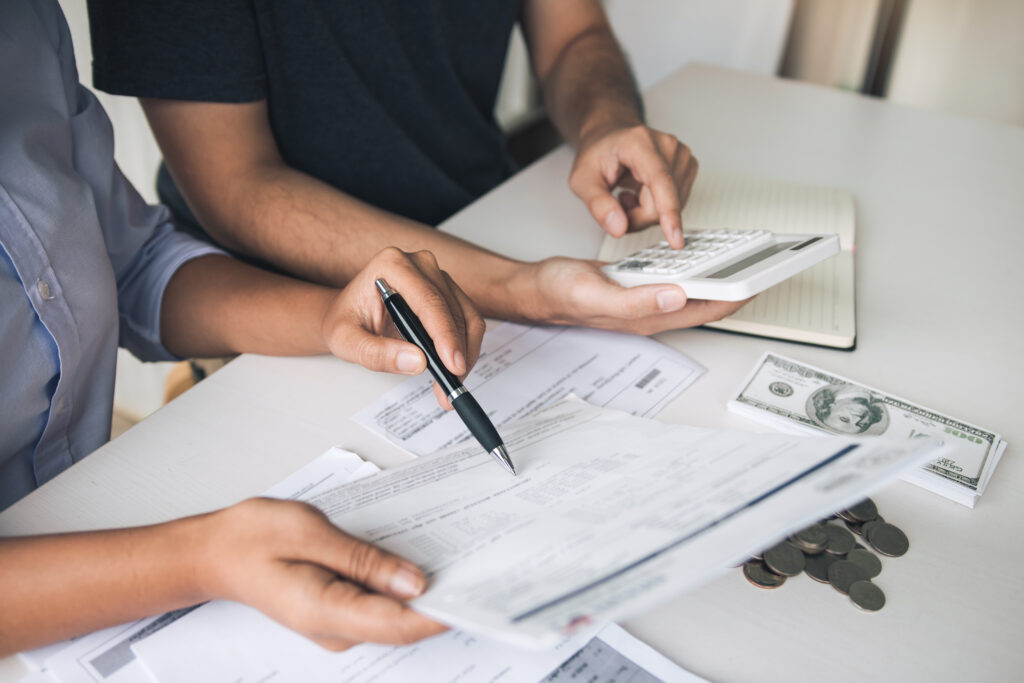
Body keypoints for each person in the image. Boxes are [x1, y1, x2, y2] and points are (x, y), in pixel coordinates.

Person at [0, 0, 471, 655]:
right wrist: (200, 560)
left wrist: (326, 316)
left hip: (100, 511)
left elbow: (133, 261)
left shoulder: (23, 25)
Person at [86, 0, 748, 335]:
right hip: (275, 309)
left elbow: (574, 34)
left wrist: (606, 121)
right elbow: (236, 184)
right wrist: (522, 291)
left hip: (493, 228)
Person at [808, 386, 888, 435]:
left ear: (830, 406)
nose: (858, 418)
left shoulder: (838, 387)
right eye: (861, 424)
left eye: (844, 419)